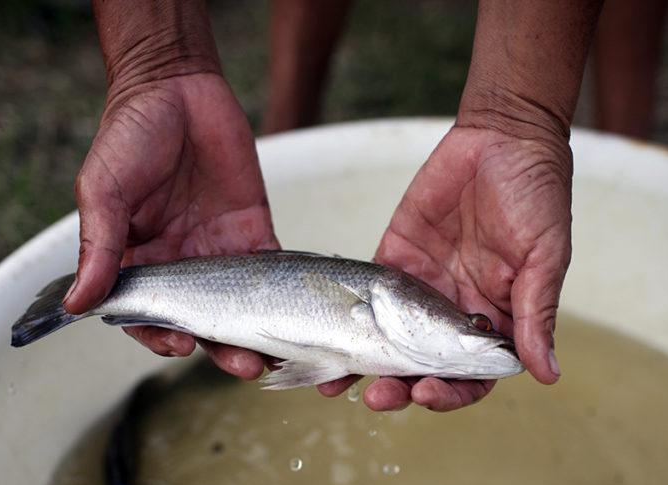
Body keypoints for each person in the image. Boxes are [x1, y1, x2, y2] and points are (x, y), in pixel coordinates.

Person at [65, 0, 603, 412]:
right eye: (477, 323)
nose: (481, 334)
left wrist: (521, 118)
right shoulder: (381, 301)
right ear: (399, 299)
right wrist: (151, 65)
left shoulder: (385, 313)